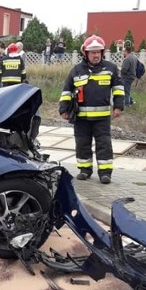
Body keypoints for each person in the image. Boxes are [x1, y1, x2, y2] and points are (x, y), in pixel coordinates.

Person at [58, 35, 124, 184]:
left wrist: (118, 106)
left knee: (104, 144)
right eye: (93, 52)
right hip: (81, 117)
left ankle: (105, 173)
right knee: (82, 144)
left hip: (102, 118)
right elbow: (67, 91)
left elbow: (119, 89)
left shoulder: (110, 68)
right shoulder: (76, 70)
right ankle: (84, 169)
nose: (96, 55)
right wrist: (63, 109)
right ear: (85, 54)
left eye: (98, 52)